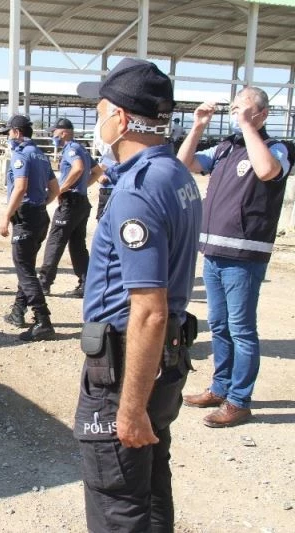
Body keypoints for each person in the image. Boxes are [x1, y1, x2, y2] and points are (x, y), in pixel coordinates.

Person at [73, 58, 202, 532]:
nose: (98, 122)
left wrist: (128, 410)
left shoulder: (137, 190)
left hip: (127, 369)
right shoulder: (174, 174)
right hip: (162, 360)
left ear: (121, 117)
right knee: (151, 490)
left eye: (100, 111)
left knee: (118, 503)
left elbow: (148, 311)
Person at [178, 87, 291, 428]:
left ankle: (239, 400)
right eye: (234, 108)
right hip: (214, 250)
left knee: (241, 329)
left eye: (245, 108)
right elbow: (183, 164)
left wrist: (247, 127)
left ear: (262, 114)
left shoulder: (276, 147)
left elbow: (267, 171)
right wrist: (198, 126)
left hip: (245, 253)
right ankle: (220, 387)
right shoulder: (226, 148)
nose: (236, 113)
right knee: (220, 325)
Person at [0, 114, 59, 342]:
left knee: (24, 270)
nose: (8, 137)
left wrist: (6, 216)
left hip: (25, 217)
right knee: (27, 267)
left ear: (16, 132)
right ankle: (18, 311)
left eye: (9, 133)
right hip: (40, 216)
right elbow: (55, 189)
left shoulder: (21, 154)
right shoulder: (42, 155)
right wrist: (40, 204)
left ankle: (43, 320)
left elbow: (20, 187)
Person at [38, 118, 92, 298]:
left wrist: (61, 189)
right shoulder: (82, 148)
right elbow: (97, 170)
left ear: (64, 132)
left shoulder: (71, 149)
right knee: (77, 245)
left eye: (54, 132)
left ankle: (44, 283)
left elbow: (78, 168)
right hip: (81, 201)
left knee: (55, 241)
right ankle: (86, 284)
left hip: (70, 203)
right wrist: (83, 186)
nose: (53, 136)